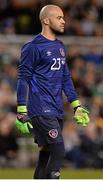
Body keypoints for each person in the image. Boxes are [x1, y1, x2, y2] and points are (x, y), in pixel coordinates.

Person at [16, 5, 90, 179]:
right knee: (59, 149)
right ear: (46, 20)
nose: (63, 21)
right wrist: (21, 110)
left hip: (56, 108)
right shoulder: (32, 47)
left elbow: (65, 78)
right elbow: (23, 78)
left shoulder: (60, 46)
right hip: (40, 108)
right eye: (59, 18)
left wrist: (76, 106)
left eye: (63, 17)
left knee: (46, 153)